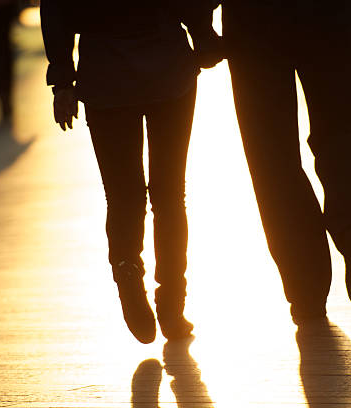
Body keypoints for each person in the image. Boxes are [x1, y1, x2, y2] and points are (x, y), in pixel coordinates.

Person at [40, 0, 222, 344]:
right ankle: (171, 303)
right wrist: (203, 34)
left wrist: (63, 81)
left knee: (124, 196)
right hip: (167, 66)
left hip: (104, 71)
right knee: (170, 195)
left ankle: (127, 270)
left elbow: (56, 10)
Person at [219, 0, 351, 324]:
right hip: (329, 14)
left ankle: (306, 287)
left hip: (253, 19)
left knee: (272, 157)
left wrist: (197, 20)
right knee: (339, 128)